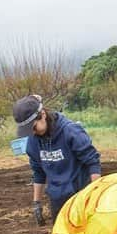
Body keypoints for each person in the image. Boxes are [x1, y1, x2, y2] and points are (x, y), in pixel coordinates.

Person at [13, 94, 102, 225]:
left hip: (80, 197)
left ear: (43, 115)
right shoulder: (32, 141)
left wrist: (95, 197)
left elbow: (92, 163)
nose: (32, 133)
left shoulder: (70, 131)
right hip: (57, 199)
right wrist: (36, 203)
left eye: (33, 127)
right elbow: (38, 172)